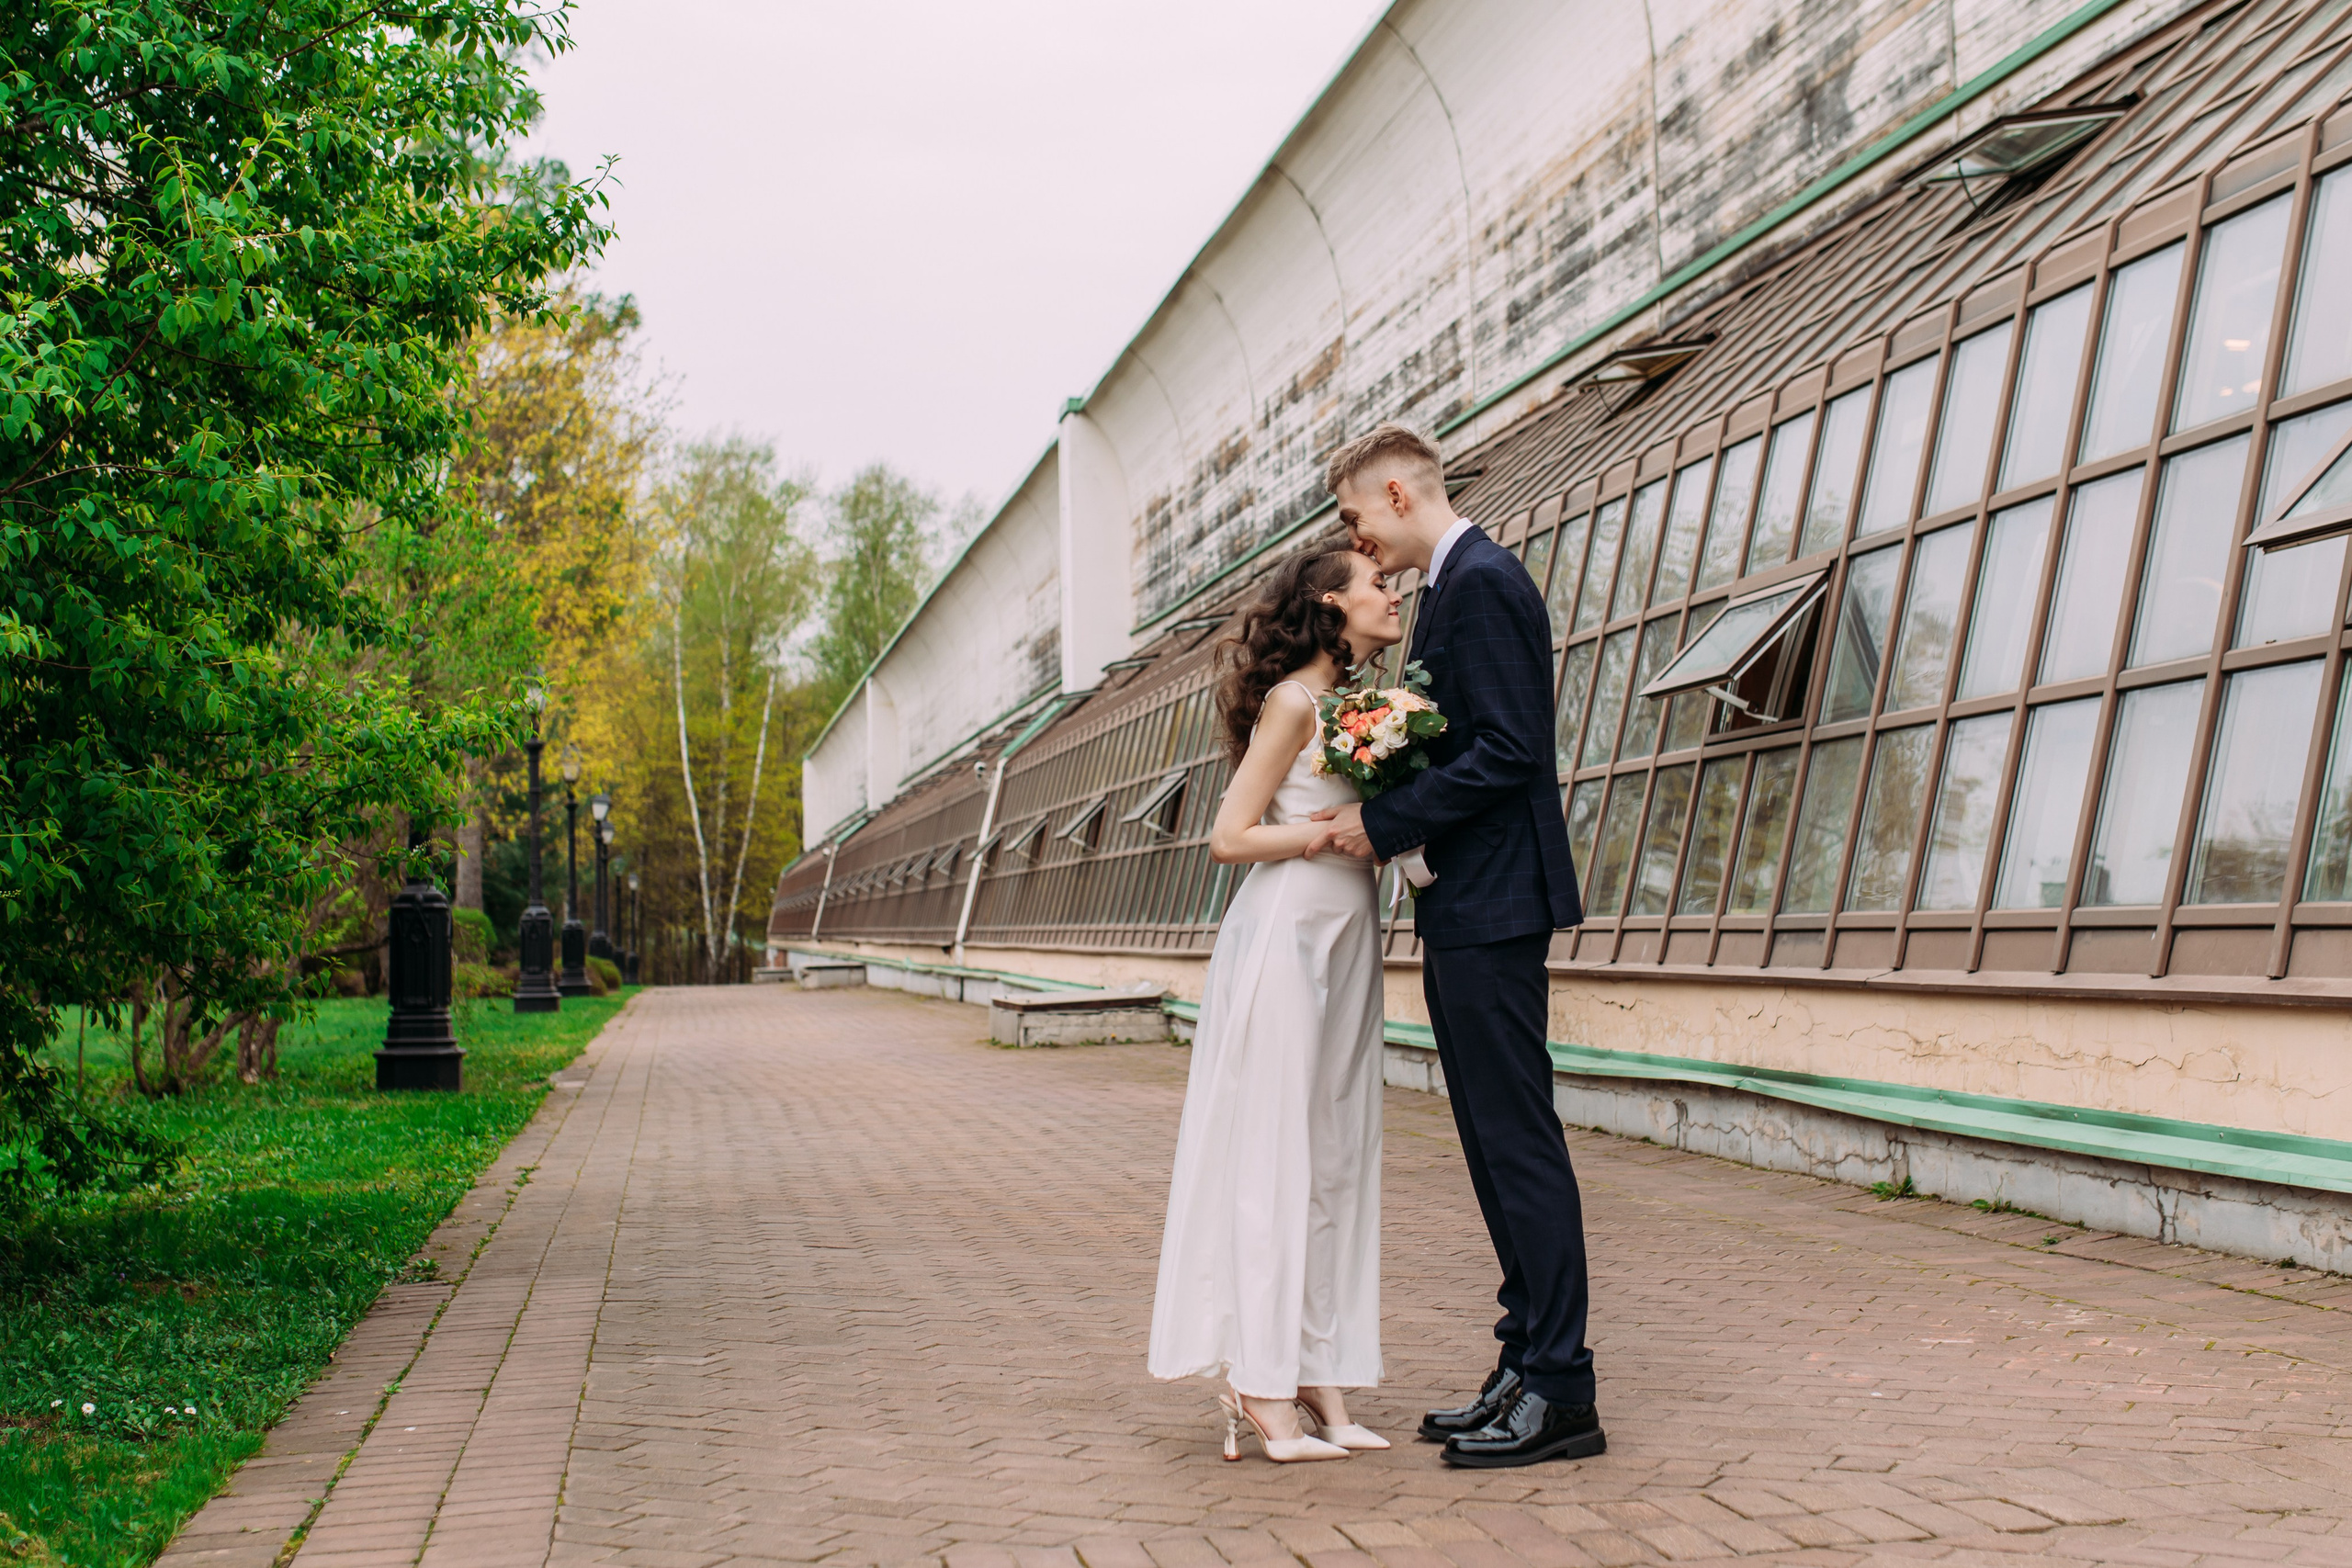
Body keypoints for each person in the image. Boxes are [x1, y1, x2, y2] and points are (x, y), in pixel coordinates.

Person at [1309, 422, 1602, 1470]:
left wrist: (1384, 820)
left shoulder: (1482, 582)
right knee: (1488, 1139)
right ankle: (1525, 1359)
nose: (1358, 542)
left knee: (1517, 1141)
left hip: (1496, 903)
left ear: (1397, 493)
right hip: (1470, 904)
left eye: (1356, 518)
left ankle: (1561, 1388)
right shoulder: (1450, 588)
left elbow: (1514, 752)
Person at [1148, 547, 1405, 1463]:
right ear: (1331, 602)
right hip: (1287, 935)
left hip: (1347, 938)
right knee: (1275, 1153)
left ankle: (1318, 1373)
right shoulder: (1294, 703)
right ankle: (1260, 1382)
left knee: (1335, 1155)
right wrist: (1327, 835)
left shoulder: (1365, 708)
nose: (1392, 594)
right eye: (1376, 584)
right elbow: (1229, 835)